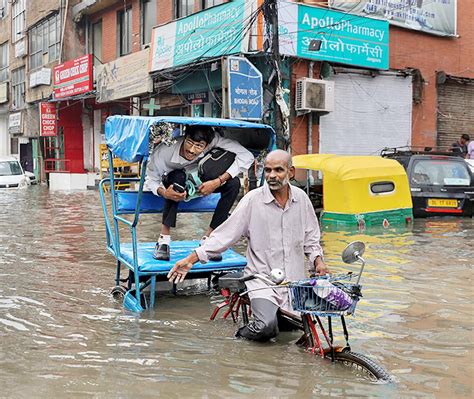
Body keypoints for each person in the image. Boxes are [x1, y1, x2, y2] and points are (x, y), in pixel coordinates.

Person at [168, 149, 329, 342]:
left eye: (278, 170)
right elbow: (224, 235)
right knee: (266, 327)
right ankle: (238, 341)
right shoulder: (253, 200)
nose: (272, 176)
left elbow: (311, 239)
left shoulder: (301, 199)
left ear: (291, 172)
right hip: (262, 280)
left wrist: (318, 262)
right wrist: (191, 259)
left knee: (303, 331)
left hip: (293, 283)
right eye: (268, 170)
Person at [145, 125, 253, 261]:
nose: (191, 150)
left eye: (199, 146)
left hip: (201, 180)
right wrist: (164, 193)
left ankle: (209, 239)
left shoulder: (214, 140)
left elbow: (247, 156)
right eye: (189, 142)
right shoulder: (163, 152)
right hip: (176, 183)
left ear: (207, 145)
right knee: (177, 178)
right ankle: (163, 240)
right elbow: (150, 180)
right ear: (185, 137)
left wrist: (217, 182)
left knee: (234, 183)